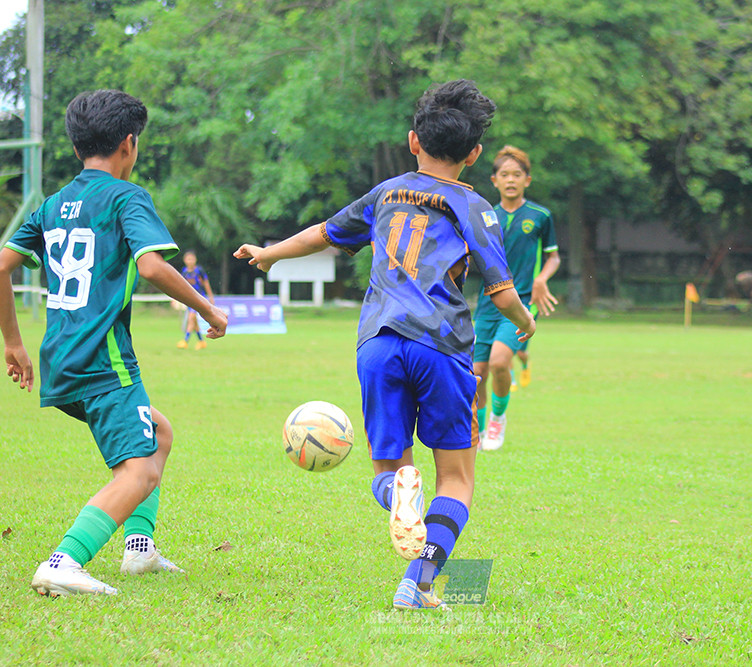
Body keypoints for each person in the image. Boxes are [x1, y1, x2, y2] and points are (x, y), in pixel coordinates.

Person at [235, 79, 535, 609]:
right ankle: (417, 581)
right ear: (475, 154)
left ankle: (402, 518)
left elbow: (324, 233)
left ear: (413, 140)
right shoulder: (475, 205)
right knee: (457, 479)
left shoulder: (386, 193)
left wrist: (271, 253)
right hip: (441, 345)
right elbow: (501, 288)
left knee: (388, 469)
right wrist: (524, 320)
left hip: (376, 343)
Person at [0, 89, 228, 598]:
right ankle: (64, 561)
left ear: (77, 148)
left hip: (61, 360)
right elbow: (151, 265)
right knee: (139, 470)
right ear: (129, 144)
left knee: (159, 433)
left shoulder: (53, 204)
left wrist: (13, 342)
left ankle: (139, 549)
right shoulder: (126, 196)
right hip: (105, 360)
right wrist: (206, 308)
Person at [472, 146, 560, 451]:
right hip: (486, 304)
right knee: (476, 374)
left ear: (528, 180)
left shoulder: (540, 216)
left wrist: (541, 279)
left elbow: (553, 258)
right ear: (494, 180)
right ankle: (480, 432)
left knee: (499, 363)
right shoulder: (485, 216)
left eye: (517, 174)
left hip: (520, 302)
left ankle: (497, 419)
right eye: (505, 174)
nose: (511, 180)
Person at [177, 250, 216, 350]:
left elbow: (206, 283)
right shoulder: (184, 271)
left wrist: (210, 296)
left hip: (199, 297)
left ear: (195, 260)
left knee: (191, 317)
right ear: (184, 260)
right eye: (188, 259)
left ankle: (185, 341)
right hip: (189, 298)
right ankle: (201, 341)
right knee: (193, 320)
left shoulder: (199, 270)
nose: (190, 261)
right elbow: (181, 285)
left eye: (192, 258)